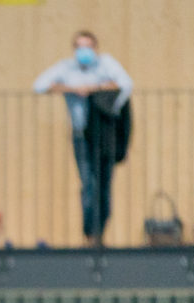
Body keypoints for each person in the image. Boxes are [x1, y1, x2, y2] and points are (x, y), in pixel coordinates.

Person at [33, 30, 132, 248]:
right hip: (81, 136)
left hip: (103, 135)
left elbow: (126, 84)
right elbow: (39, 85)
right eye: (79, 46)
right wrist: (71, 90)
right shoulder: (67, 68)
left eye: (88, 46)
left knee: (104, 186)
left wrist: (95, 89)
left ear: (95, 48)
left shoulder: (106, 65)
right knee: (89, 184)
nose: (84, 51)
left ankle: (99, 234)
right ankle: (89, 234)